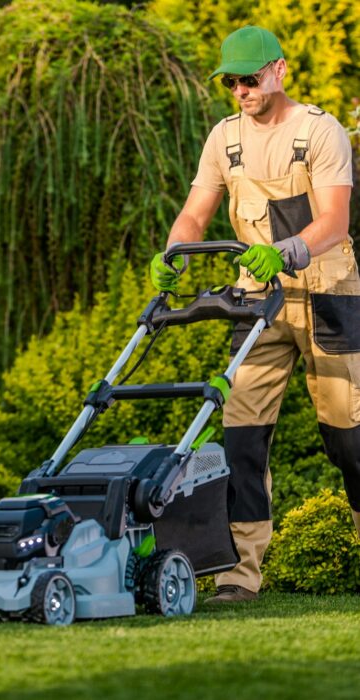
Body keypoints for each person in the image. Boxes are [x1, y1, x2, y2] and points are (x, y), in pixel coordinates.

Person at [149, 25, 360, 603]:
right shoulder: (225, 139)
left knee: (350, 438)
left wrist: (286, 250)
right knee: (241, 434)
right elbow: (195, 213)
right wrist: (175, 255)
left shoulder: (320, 131)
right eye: (233, 81)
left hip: (326, 290)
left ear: (279, 70)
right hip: (257, 295)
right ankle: (240, 575)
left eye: (251, 78)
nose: (241, 90)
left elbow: (335, 222)